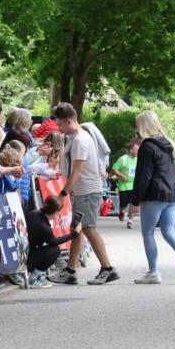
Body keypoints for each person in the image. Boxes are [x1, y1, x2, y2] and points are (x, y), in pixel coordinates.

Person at [47, 102, 119, 285]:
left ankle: (107, 268)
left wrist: (63, 193)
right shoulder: (76, 137)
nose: (59, 129)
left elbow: (77, 171)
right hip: (84, 191)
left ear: (70, 121)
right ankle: (71, 270)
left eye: (61, 125)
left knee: (88, 228)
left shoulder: (80, 139)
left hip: (87, 190)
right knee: (78, 230)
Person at [128, 110, 175, 285]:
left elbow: (144, 175)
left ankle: (153, 272)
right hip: (173, 194)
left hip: (155, 194)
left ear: (143, 126)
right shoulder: (168, 144)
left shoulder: (147, 145)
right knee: (168, 232)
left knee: (148, 232)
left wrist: (135, 200)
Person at [24, 195, 80, 288]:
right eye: (58, 213)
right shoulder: (44, 227)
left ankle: (31, 274)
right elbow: (54, 242)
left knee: (50, 249)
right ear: (56, 212)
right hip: (26, 259)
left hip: (21, 254)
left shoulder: (33, 213)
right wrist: (73, 235)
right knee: (55, 251)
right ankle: (33, 278)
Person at [111, 139, 140, 228]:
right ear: (131, 149)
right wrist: (122, 176)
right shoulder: (123, 159)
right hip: (123, 186)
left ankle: (130, 220)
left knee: (133, 203)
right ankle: (121, 211)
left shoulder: (139, 159)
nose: (138, 151)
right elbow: (114, 169)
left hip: (134, 185)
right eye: (137, 149)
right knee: (123, 204)